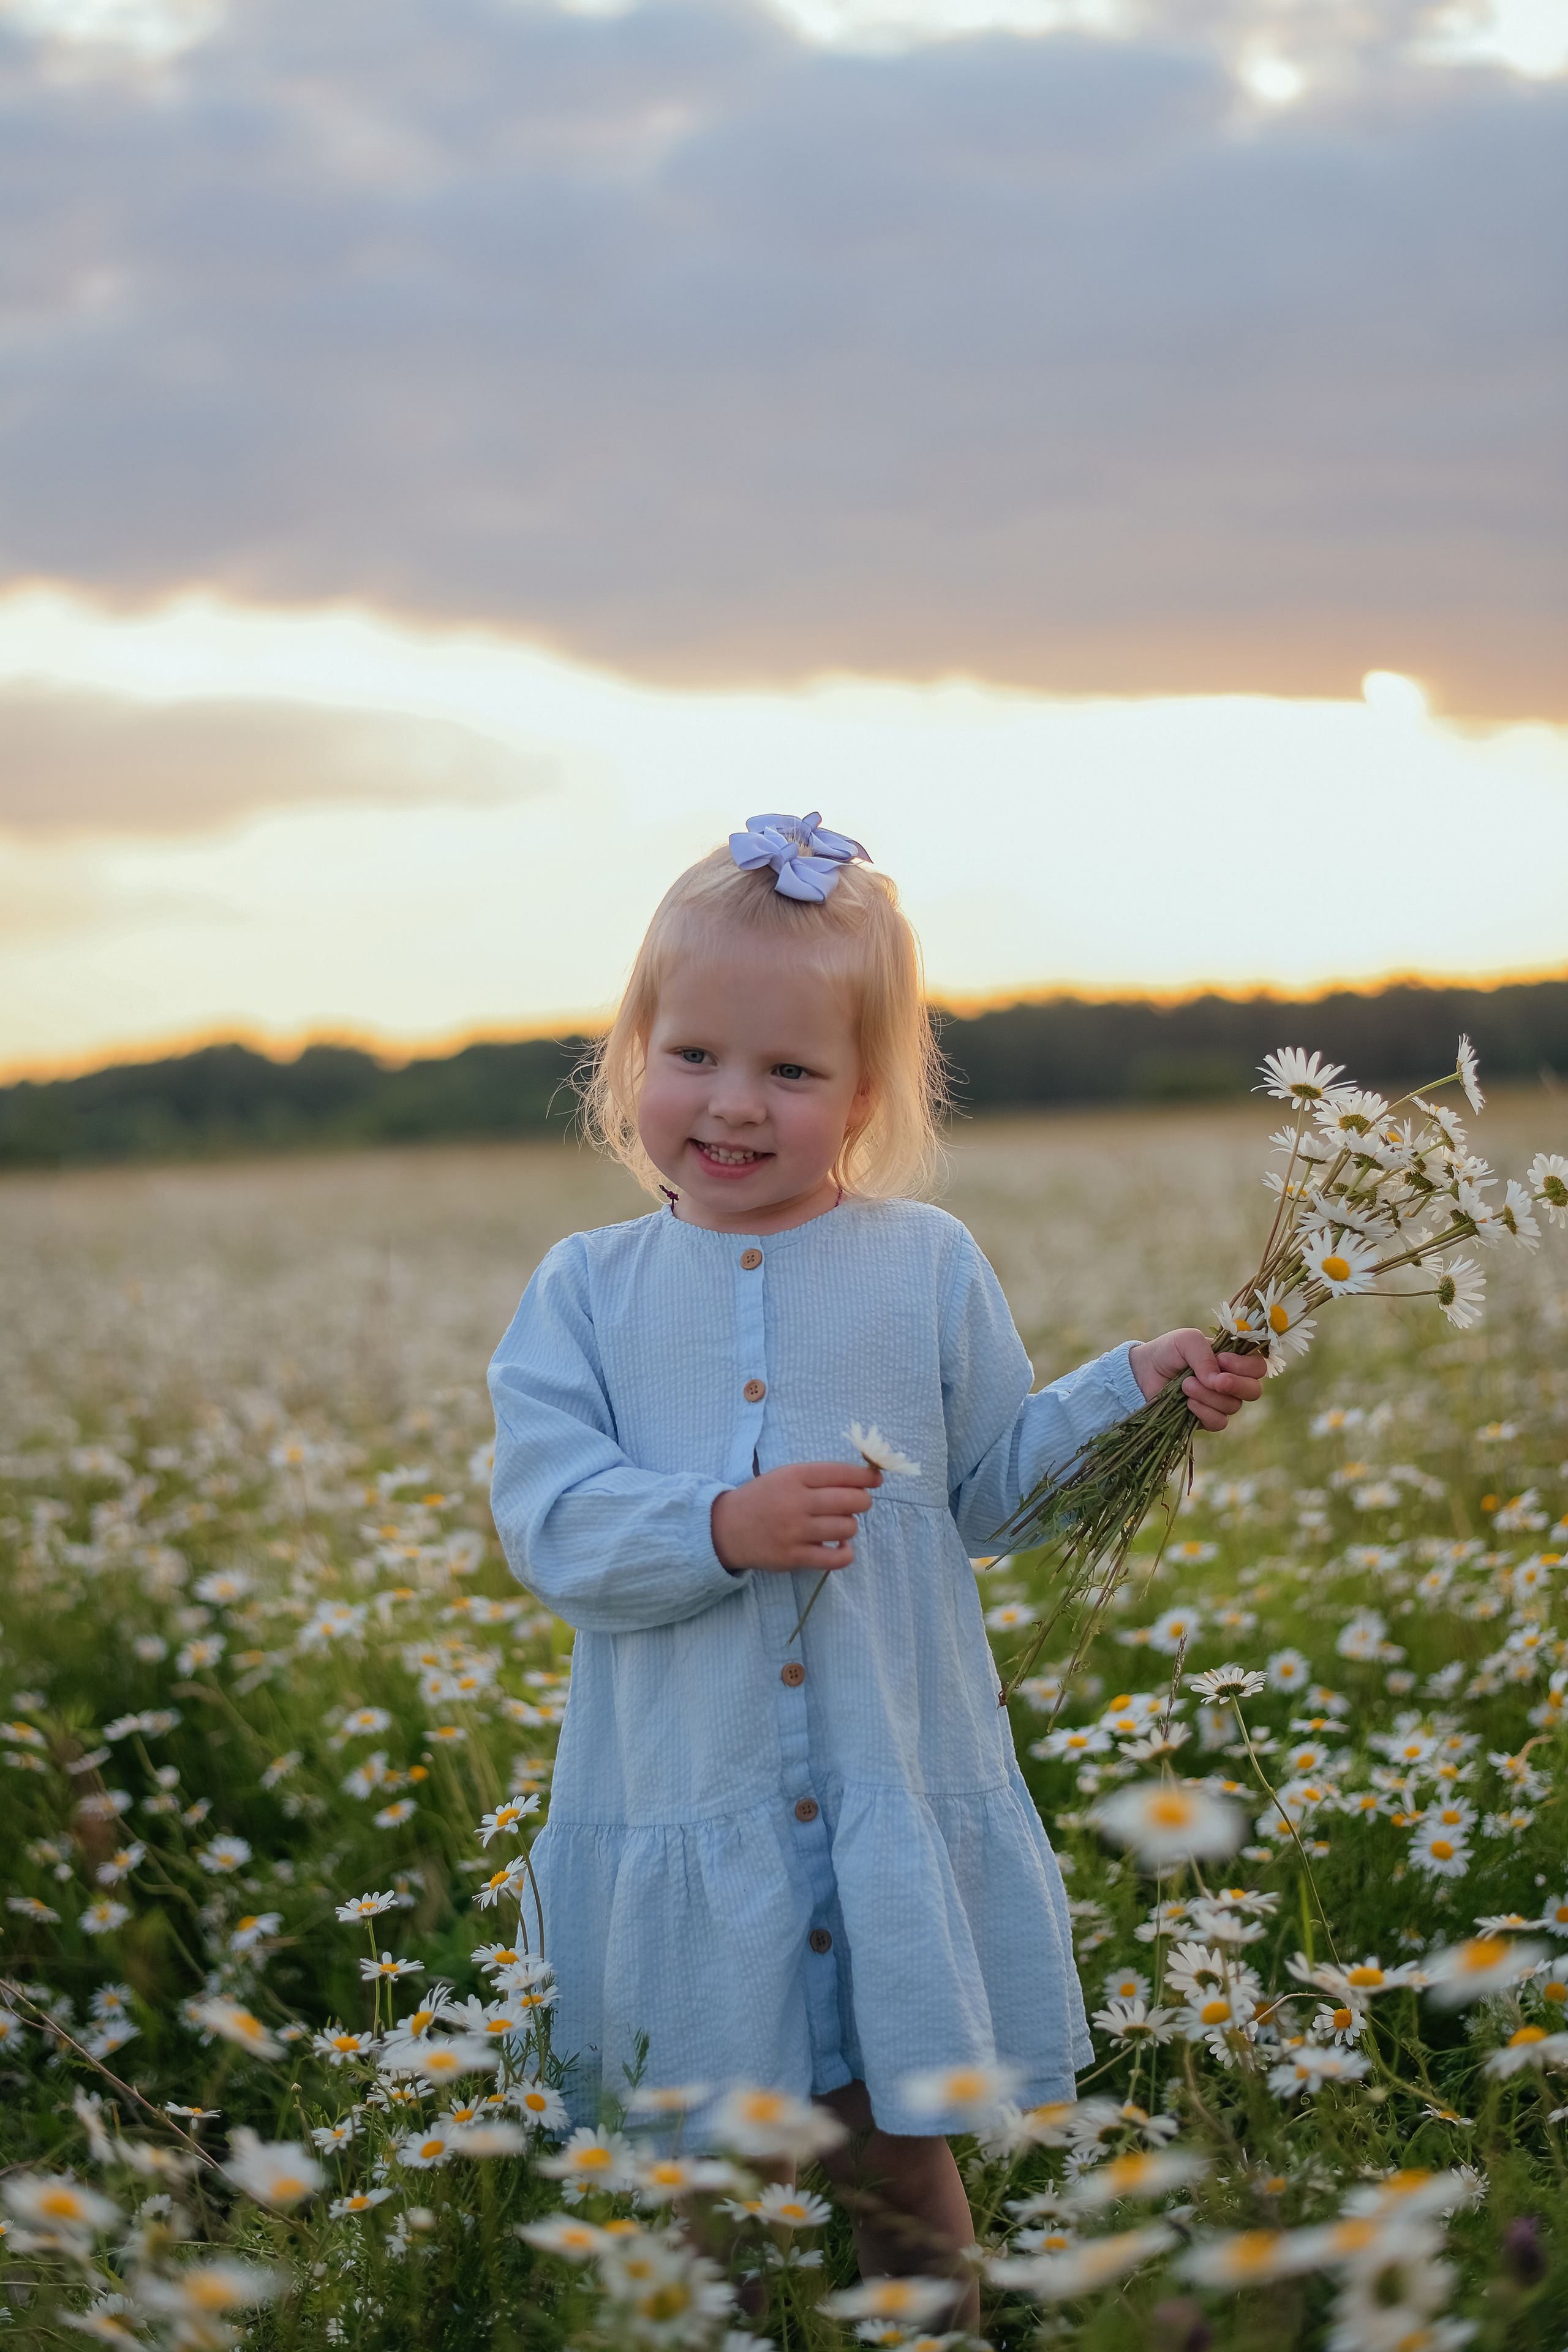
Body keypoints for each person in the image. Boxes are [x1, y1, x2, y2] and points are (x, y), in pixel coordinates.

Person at [488, 815, 1262, 2314]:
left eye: (789, 1071)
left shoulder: (924, 1263)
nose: (733, 1102)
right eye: (693, 1055)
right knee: (711, 2190)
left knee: (899, 2157)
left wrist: (1134, 1391)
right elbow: (551, 1524)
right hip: (692, 1794)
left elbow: (989, 1495)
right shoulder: (584, 1290)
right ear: (631, 1057)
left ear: (862, 1095)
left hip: (882, 1790)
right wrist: (719, 1527)